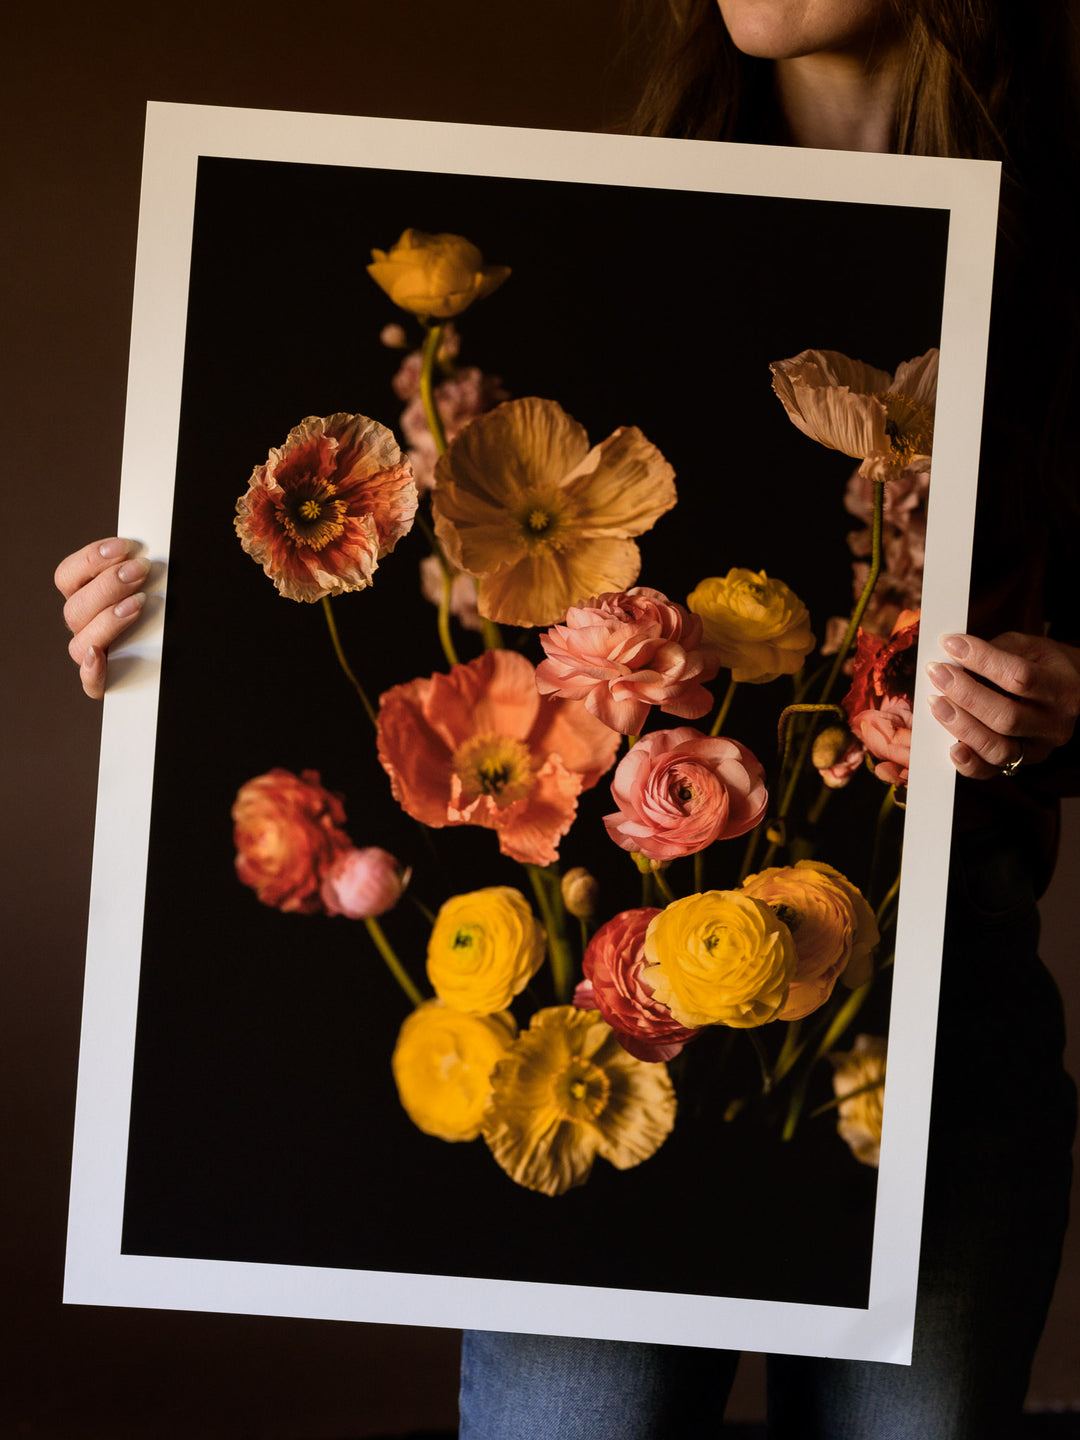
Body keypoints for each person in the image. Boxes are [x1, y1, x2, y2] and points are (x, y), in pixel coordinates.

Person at [56, 0, 1080, 1434]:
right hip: (599, 1060)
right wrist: (169, 623)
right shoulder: (610, 231)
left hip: (930, 1065)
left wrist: (1067, 699)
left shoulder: (1055, 273)